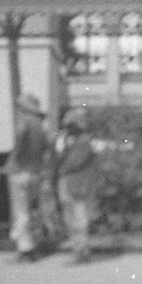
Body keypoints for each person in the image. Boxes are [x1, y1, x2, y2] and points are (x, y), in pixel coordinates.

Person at [6, 94, 51, 262]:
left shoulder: (24, 122)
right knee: (32, 210)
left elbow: (20, 143)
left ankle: (25, 248)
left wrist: (13, 161)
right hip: (35, 171)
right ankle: (33, 244)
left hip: (20, 171)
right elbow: (47, 147)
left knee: (20, 211)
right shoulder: (41, 126)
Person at [56, 111, 99, 263]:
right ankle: (79, 249)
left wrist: (61, 158)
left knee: (78, 219)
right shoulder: (72, 141)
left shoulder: (83, 142)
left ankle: (81, 251)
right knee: (71, 218)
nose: (67, 130)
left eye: (70, 126)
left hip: (78, 185)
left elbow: (73, 163)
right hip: (70, 184)